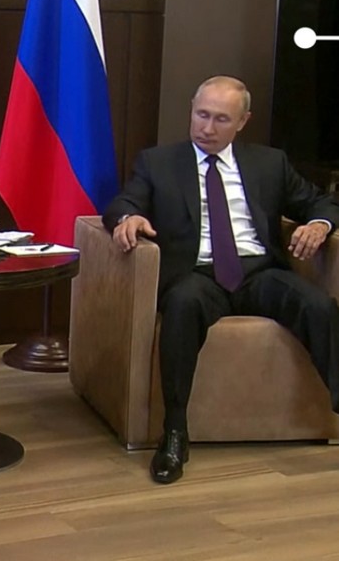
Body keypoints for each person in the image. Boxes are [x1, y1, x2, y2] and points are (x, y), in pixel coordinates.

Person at [103, 75, 339, 485]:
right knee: (181, 306)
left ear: (243, 121)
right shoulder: (158, 163)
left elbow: (321, 202)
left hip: (259, 271)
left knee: (318, 305)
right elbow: (123, 202)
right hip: (196, 275)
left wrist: (320, 224)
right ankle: (174, 434)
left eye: (221, 119)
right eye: (201, 115)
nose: (207, 128)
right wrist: (130, 217)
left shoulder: (270, 163)